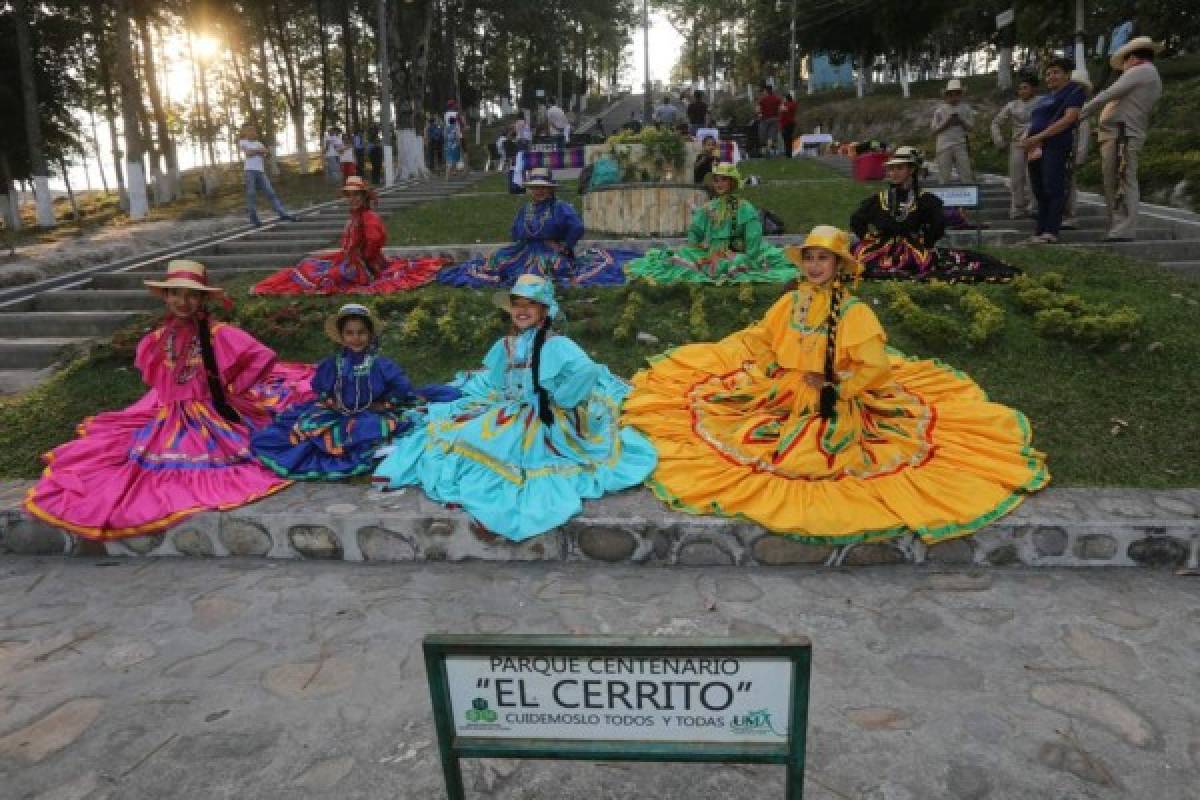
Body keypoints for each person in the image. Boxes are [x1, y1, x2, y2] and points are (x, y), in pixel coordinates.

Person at [622, 225, 1048, 546]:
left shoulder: (854, 312)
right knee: (725, 417)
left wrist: (836, 385)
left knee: (818, 454)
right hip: (785, 389)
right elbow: (764, 336)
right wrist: (771, 366)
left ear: (839, 265)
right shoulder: (793, 299)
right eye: (808, 257)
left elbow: (874, 368)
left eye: (823, 259)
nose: (813, 265)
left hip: (833, 396)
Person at [23, 260, 314, 540]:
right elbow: (161, 382)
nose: (183, 302)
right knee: (132, 465)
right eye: (175, 294)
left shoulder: (218, 334)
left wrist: (232, 388)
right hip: (172, 416)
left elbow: (261, 357)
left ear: (202, 300)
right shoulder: (157, 340)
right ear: (165, 297)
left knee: (217, 462)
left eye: (191, 296)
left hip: (213, 415)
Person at [373, 274, 657, 541]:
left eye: (529, 305)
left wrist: (563, 398)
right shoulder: (507, 344)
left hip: (548, 418)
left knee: (513, 451)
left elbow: (586, 371)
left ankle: (504, 504)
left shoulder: (557, 345)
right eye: (517, 305)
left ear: (544, 310)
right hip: (514, 409)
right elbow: (498, 381)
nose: (521, 311)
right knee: (465, 434)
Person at [252, 304, 459, 480]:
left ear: (369, 335)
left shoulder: (380, 364)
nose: (356, 338)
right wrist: (330, 401)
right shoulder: (333, 364)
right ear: (342, 337)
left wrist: (385, 404)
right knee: (309, 428)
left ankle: (370, 447)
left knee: (369, 428)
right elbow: (321, 388)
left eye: (361, 333)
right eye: (350, 333)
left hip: (370, 411)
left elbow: (400, 387)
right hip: (338, 412)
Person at [438, 168, 636, 287]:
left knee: (544, 270)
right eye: (535, 188)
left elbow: (576, 227)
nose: (539, 191)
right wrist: (523, 240)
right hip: (525, 250)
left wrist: (565, 246)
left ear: (550, 189)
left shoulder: (561, 207)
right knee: (495, 261)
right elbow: (515, 231)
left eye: (543, 188)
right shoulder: (526, 208)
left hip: (550, 251)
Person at [252, 176, 447, 295]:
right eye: (349, 195)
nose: (352, 199)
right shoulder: (355, 217)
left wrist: (363, 262)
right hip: (351, 260)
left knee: (323, 278)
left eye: (356, 195)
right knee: (308, 266)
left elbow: (375, 241)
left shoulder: (368, 217)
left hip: (365, 267)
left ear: (363, 197)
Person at [850, 146, 1018, 282]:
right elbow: (857, 220)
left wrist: (926, 242)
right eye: (891, 169)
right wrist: (869, 238)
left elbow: (938, 225)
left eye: (899, 168)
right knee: (863, 259)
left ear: (912, 170)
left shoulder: (927, 200)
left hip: (913, 248)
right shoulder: (879, 199)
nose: (893, 173)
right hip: (883, 247)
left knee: (919, 261)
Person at [626, 162, 796, 284]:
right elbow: (695, 232)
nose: (719, 184)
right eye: (716, 180)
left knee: (734, 265)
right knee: (678, 256)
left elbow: (753, 239)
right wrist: (699, 245)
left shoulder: (745, 208)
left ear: (732, 182)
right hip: (710, 253)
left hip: (735, 254)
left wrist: (746, 255)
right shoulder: (708, 207)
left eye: (724, 180)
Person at [1079, 35, 1164, 242]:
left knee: (1122, 180)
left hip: (1122, 134)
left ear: (1133, 58)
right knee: (1116, 180)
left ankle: (1123, 229)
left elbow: (1108, 94)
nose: (1123, 68)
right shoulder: (1148, 74)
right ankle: (1117, 226)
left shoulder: (1140, 70)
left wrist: (1081, 112)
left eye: (1124, 62)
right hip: (1118, 132)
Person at [1022, 56, 1087, 244]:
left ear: (1067, 75)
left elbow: (1069, 119)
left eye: (1056, 72)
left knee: (1053, 187)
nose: (1051, 77)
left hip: (1055, 145)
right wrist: (1027, 139)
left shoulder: (1073, 92)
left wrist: (1038, 137)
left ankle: (1051, 231)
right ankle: (1040, 230)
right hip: (1036, 147)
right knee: (1039, 189)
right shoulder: (1046, 98)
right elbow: (1035, 121)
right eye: (1048, 74)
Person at [991, 74, 1040, 219]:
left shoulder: (1042, 101)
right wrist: (999, 141)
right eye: (1020, 88)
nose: (1022, 91)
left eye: (1025, 88)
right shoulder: (1012, 105)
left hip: (1035, 142)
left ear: (1033, 89)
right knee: (1016, 177)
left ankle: (1035, 206)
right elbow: (995, 123)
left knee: (1033, 176)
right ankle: (1017, 208)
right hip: (1017, 144)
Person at [238, 124, 298, 226]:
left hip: (261, 172)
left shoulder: (259, 143)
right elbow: (248, 153)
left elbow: (266, 153)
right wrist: (259, 151)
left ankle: (282, 213)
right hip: (249, 172)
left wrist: (258, 151)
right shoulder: (243, 142)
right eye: (249, 131)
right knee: (251, 195)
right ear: (246, 133)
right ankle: (254, 220)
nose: (252, 132)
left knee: (271, 193)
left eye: (253, 130)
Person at [1062, 69, 1094, 230]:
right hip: (1061, 150)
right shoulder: (1063, 104)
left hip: (1072, 152)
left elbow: (1084, 133)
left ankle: (1070, 215)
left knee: (1069, 185)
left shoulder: (1083, 108)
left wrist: (1080, 156)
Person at [931, 79, 975, 183]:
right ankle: (942, 198)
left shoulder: (966, 109)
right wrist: (947, 123)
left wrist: (961, 121)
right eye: (951, 94)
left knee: (966, 174)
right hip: (943, 146)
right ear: (947, 95)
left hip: (960, 144)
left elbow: (971, 127)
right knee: (944, 176)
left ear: (960, 95)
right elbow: (933, 130)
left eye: (957, 94)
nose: (954, 97)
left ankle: (967, 197)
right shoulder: (939, 111)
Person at [756, 85, 782, 156]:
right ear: (772, 90)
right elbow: (781, 108)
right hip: (775, 119)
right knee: (771, 136)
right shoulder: (777, 99)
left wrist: (759, 114)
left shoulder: (762, 99)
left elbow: (758, 109)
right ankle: (769, 149)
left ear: (766, 91)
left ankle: (764, 151)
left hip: (765, 120)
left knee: (763, 135)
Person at [779, 92, 798, 157]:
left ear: (786, 98)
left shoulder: (790, 104)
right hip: (789, 123)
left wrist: (782, 105)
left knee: (787, 138)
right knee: (788, 138)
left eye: (784, 98)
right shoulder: (793, 104)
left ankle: (788, 153)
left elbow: (783, 109)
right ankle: (788, 152)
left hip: (787, 124)